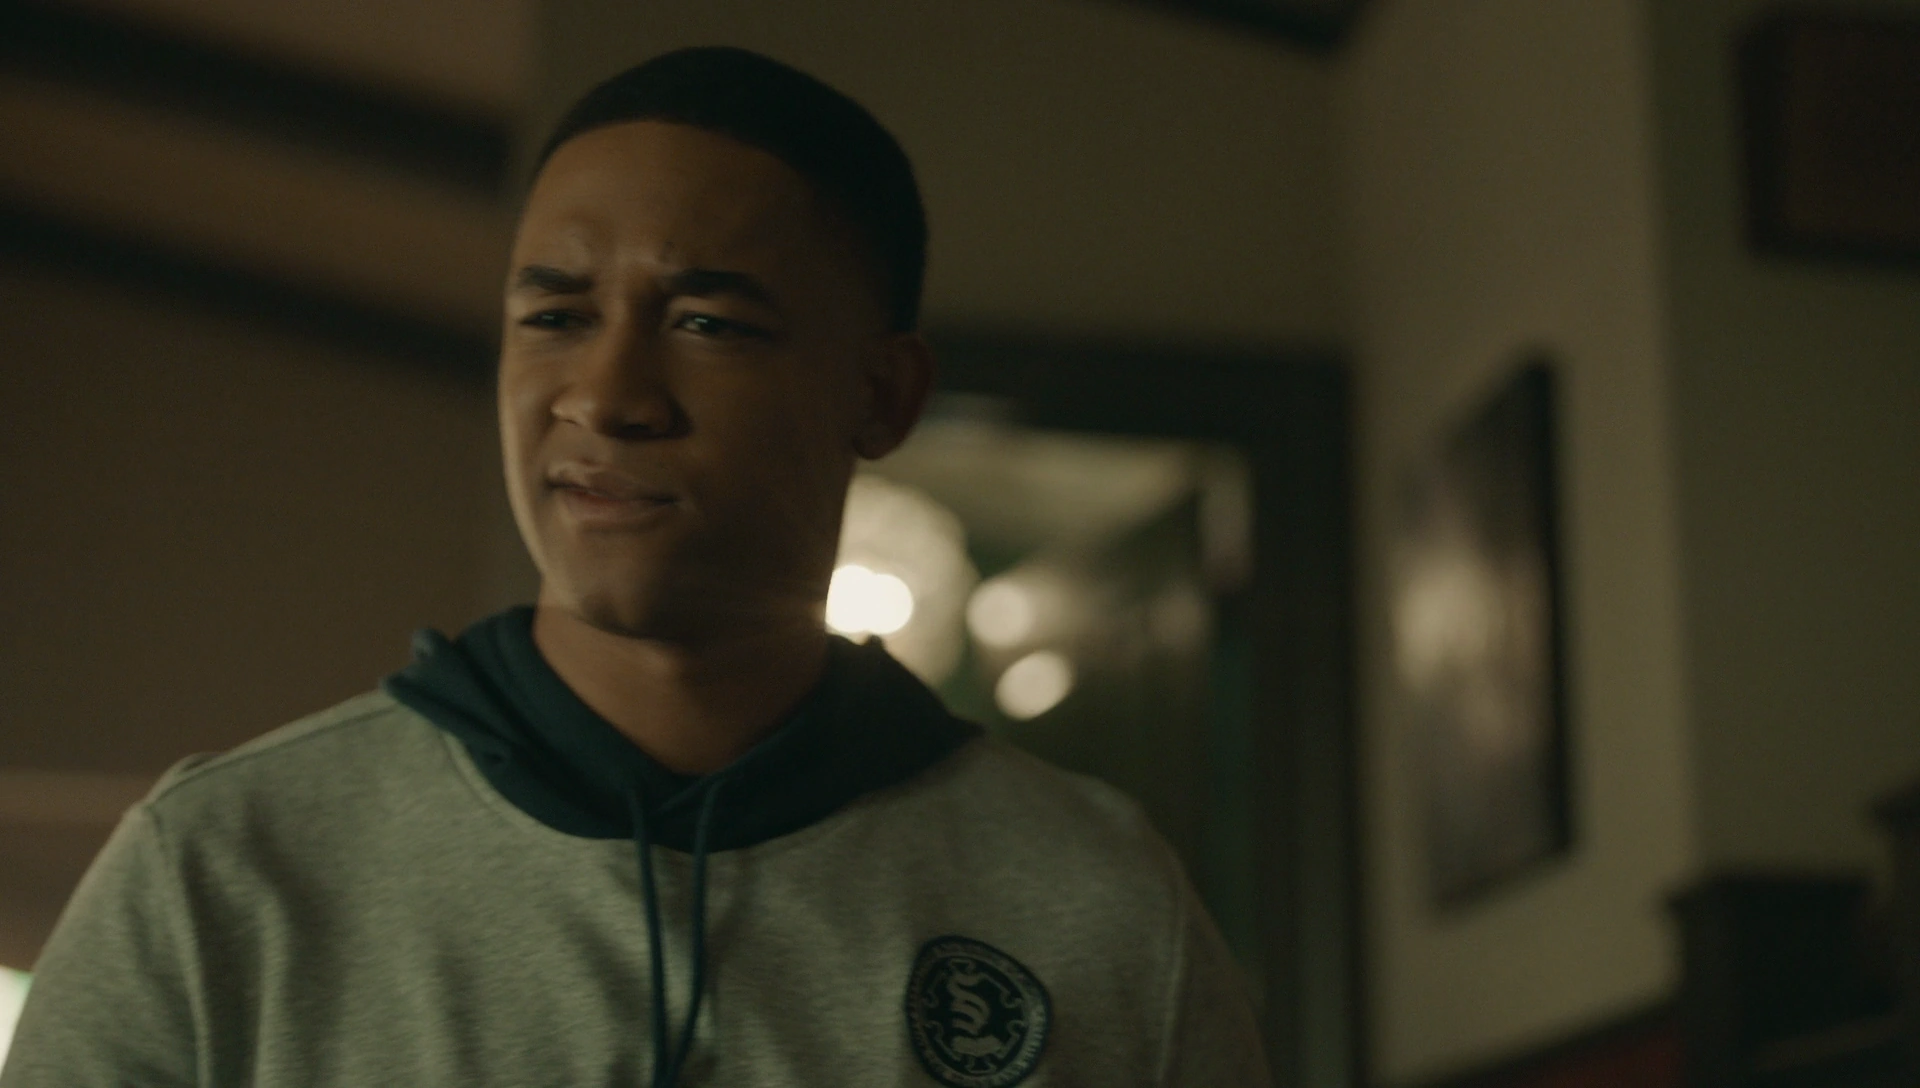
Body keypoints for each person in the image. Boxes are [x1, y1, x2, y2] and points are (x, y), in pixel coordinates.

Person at [0, 47, 1269, 1087]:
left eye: (708, 322)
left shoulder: (1091, 899)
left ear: (882, 394)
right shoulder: (223, 869)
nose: (606, 396)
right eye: (554, 317)